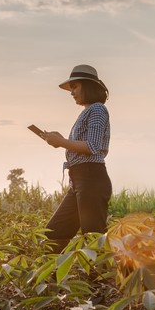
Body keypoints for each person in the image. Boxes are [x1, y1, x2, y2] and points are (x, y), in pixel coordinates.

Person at [39, 64, 112, 253]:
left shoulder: (97, 109)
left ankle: (99, 281)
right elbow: (84, 144)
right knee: (53, 234)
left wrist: (61, 141)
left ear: (87, 86)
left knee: (93, 239)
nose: (72, 92)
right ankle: (53, 281)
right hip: (80, 180)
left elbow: (92, 146)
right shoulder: (88, 111)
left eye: (75, 87)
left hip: (91, 178)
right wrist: (59, 140)